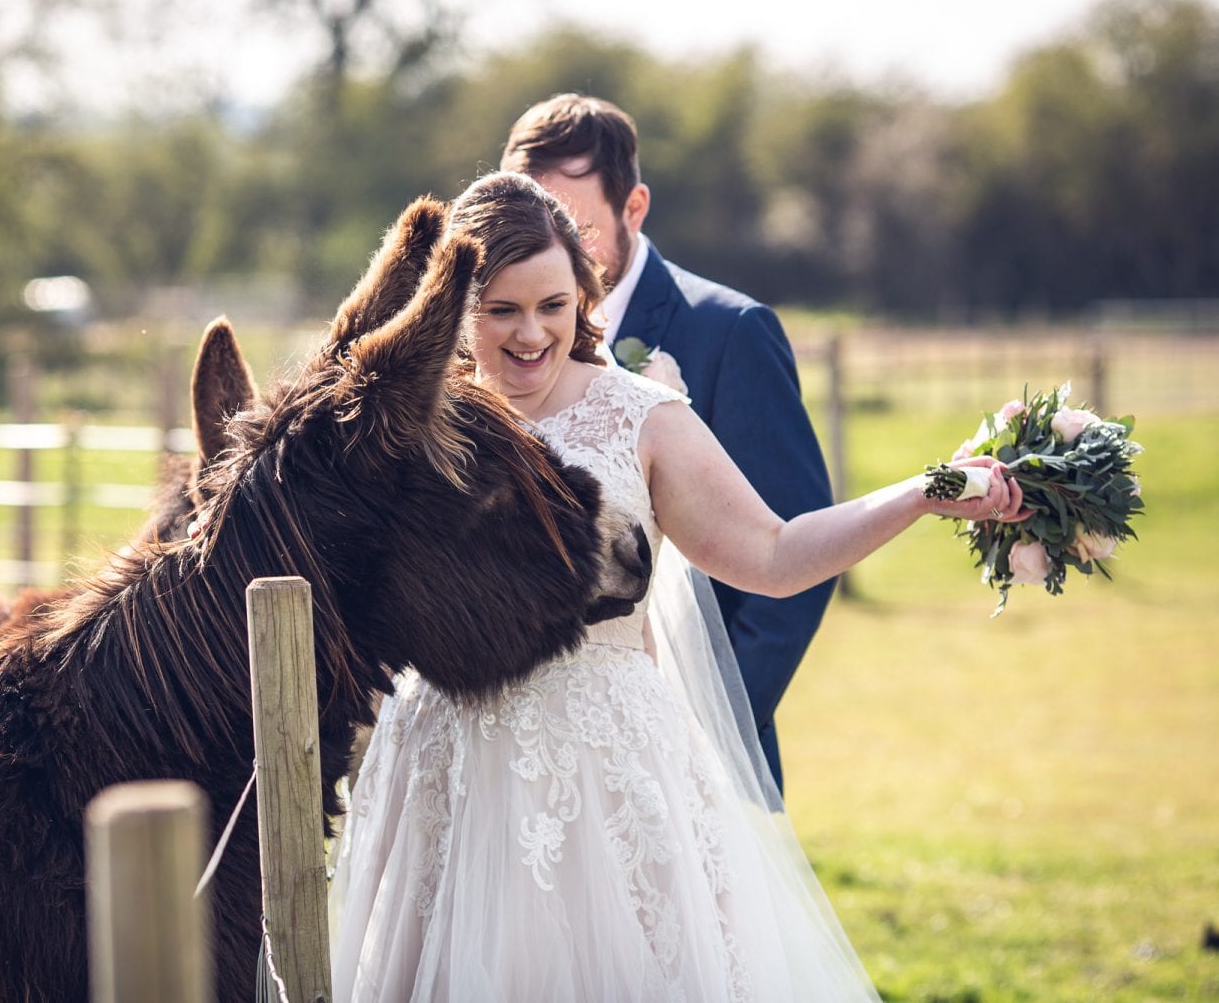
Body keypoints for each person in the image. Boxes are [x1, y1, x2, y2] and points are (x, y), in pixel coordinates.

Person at [329, 172, 1028, 1001]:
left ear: (583, 297)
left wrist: (923, 490)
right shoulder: (408, 425)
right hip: (442, 771)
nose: (530, 334)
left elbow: (773, 553)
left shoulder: (641, 418)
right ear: (453, 309)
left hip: (607, 772)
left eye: (553, 306)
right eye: (501, 310)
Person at [501, 93, 830, 791]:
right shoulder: (485, 354)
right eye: (528, 231)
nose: (550, 254)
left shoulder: (730, 333)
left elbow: (789, 560)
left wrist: (702, 738)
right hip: (522, 758)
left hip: (694, 756)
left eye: (576, 229)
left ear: (635, 209)